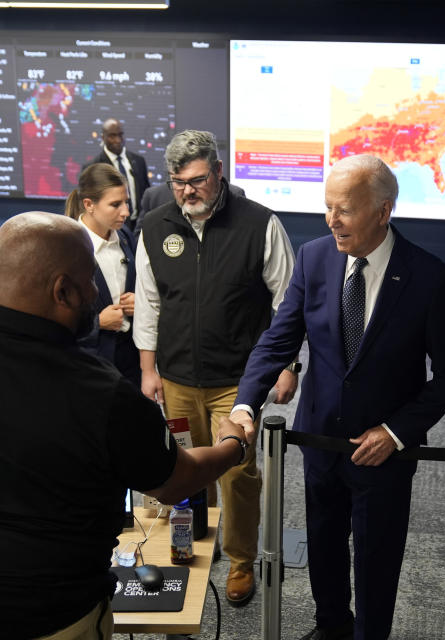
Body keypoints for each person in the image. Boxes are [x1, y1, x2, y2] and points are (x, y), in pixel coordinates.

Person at [0, 211, 247, 640]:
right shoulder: (103, 393)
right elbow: (175, 483)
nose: (95, 293)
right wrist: (232, 444)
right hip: (51, 622)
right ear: (63, 290)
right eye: (90, 280)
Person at [230, 154, 445, 640]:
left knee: (377, 558)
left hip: (383, 452)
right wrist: (243, 405)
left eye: (345, 209)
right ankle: (331, 625)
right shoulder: (315, 257)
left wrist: (397, 431)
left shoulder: (428, 277)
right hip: (320, 440)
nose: (331, 221)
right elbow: (279, 340)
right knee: (323, 544)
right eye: (327, 208)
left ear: (383, 211)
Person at [134, 129, 296, 607]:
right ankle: (192, 544)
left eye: (198, 180)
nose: (188, 191)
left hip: (238, 382)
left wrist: (287, 366)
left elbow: (289, 304)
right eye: (178, 182)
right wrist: (148, 370)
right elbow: (147, 304)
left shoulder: (260, 224)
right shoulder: (155, 226)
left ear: (219, 173)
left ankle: (242, 560)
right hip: (176, 377)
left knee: (238, 474)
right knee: (183, 469)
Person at [65, 163, 139, 386]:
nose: (126, 211)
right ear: (89, 205)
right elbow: (50, 323)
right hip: (89, 363)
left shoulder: (125, 235)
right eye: (115, 204)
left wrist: (139, 302)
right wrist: (97, 323)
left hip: (131, 357)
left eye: (126, 202)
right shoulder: (65, 246)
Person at [85, 118, 150, 225]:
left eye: (120, 135)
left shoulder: (138, 161)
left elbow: (146, 193)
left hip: (139, 224)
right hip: (110, 226)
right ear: (103, 137)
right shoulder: (93, 167)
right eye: (112, 136)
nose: (118, 140)